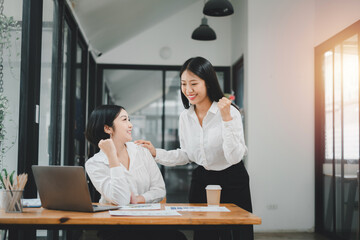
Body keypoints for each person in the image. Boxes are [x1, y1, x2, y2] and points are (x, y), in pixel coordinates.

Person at [135, 56, 253, 240]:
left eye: (194, 83)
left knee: (237, 233)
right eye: (183, 84)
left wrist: (226, 119)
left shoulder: (230, 112)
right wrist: (155, 153)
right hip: (203, 179)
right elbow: (187, 155)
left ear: (208, 83)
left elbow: (234, 157)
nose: (188, 90)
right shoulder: (185, 117)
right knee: (204, 233)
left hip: (233, 178)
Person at [85, 105, 186, 240]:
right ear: (107, 128)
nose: (130, 125)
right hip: (115, 226)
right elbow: (120, 200)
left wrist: (139, 199)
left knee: (177, 237)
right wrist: (112, 157)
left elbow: (160, 190)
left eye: (129, 119)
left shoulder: (141, 151)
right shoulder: (94, 164)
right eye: (124, 120)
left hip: (147, 220)